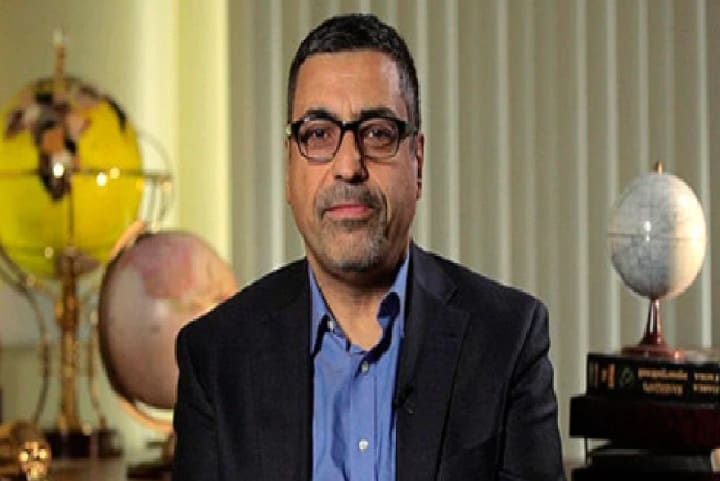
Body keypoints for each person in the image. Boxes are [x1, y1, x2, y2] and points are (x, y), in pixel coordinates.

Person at [173, 13, 564, 481]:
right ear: (288, 168)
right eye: (318, 134)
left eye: (377, 133)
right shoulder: (216, 355)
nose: (349, 165)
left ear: (418, 162)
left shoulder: (507, 339)